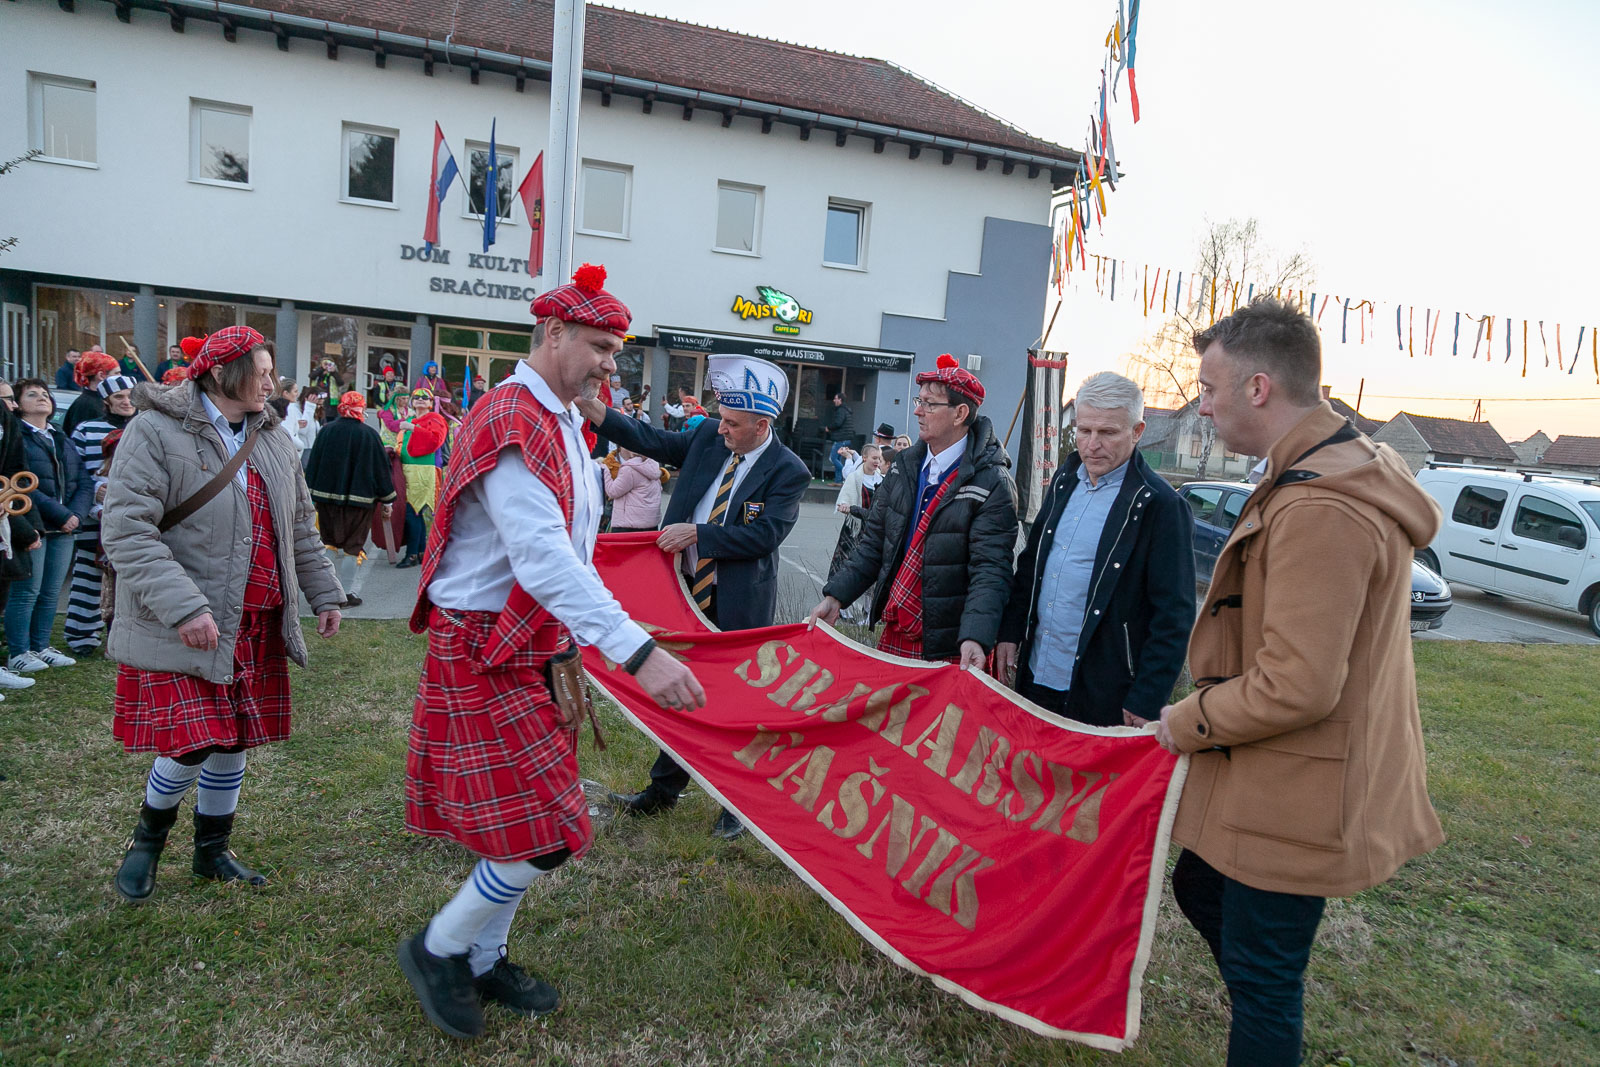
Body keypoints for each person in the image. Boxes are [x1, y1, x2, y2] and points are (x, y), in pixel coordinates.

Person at [396, 263, 705, 1040]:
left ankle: (482, 955)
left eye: (617, 349)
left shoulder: (563, 414)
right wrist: (638, 653)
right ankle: (439, 948)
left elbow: (571, 544)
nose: (611, 362)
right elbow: (542, 557)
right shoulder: (513, 417)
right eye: (600, 345)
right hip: (486, 644)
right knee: (550, 828)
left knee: (534, 827)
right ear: (554, 333)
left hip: (534, 641)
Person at [1151, 298, 1445, 1066]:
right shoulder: (1326, 465)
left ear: (1258, 389)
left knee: (1266, 978)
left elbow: (1299, 683)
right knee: (1203, 890)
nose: (1203, 404)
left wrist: (1188, 719)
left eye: (1211, 388)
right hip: (1278, 773)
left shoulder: (1320, 504)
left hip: (1299, 785)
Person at [102, 325, 345, 904]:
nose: (272, 381)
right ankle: (147, 841)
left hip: (254, 617)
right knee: (190, 741)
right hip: (185, 616)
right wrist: (183, 606)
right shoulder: (154, 431)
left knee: (232, 740)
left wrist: (325, 592)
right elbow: (126, 531)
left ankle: (213, 851)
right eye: (260, 371)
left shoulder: (275, 440)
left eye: (270, 371)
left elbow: (299, 528)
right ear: (218, 374)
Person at [582, 353, 811, 840]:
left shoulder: (789, 471)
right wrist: (596, 411)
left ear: (761, 424)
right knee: (680, 692)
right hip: (680, 592)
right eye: (721, 420)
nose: (720, 429)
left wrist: (699, 535)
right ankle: (663, 791)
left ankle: (739, 807)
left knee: (733, 708)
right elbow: (655, 440)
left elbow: (766, 536)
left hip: (736, 604)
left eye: (732, 423)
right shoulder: (708, 436)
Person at [994, 372, 1195, 727]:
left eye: (1107, 433)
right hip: (1037, 673)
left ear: (1137, 431)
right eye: (1084, 431)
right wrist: (1011, 630)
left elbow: (1173, 616)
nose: (1091, 444)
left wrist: (1148, 697)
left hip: (1105, 691)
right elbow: (1032, 566)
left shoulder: (1159, 506)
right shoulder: (1063, 480)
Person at [809, 354, 1017, 669]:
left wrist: (976, 636)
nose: (918, 411)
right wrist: (836, 596)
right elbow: (875, 542)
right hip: (900, 623)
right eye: (918, 401)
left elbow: (990, 571)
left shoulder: (992, 481)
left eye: (930, 404)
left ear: (960, 413)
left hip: (952, 640)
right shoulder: (905, 467)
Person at [5, 379, 81, 673]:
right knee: (27, 591)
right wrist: (61, 513)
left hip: (65, 527)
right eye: (32, 394)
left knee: (50, 591)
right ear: (18, 405)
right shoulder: (18, 436)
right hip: (36, 522)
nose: (42, 398)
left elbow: (82, 479)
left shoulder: (59, 435)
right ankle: (18, 651)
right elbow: (23, 482)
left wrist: (75, 513)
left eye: (45, 394)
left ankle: (41, 645)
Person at [61, 374, 137, 656]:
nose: (126, 402)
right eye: (120, 397)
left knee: (130, 581)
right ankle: (81, 637)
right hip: (95, 519)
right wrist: (95, 492)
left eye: (130, 396)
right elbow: (75, 472)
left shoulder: (146, 426)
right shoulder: (86, 429)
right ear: (106, 400)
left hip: (133, 516)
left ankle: (123, 638)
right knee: (87, 576)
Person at [306, 392, 396, 608]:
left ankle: (326, 592)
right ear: (361, 408)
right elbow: (381, 470)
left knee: (328, 542)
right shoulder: (369, 435)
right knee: (352, 547)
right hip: (360, 502)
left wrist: (308, 494)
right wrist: (387, 501)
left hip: (326, 500)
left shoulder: (326, 431)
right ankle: (345, 594)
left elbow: (313, 464)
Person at [0, 383, 43, 694]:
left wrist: (28, 527)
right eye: (7, 399)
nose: (12, 405)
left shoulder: (6, 423)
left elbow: (18, 474)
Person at [829, 443, 885, 623]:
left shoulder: (881, 479)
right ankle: (840, 605)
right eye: (874, 458)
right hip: (854, 530)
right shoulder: (855, 477)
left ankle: (869, 607)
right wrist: (846, 506)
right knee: (844, 564)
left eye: (879, 458)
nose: (877, 461)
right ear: (865, 458)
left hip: (873, 529)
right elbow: (844, 500)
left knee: (872, 567)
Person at [395, 388, 449, 568]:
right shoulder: (409, 420)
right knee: (413, 512)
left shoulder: (436, 419)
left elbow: (435, 440)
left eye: (425, 397)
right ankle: (418, 552)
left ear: (431, 402)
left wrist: (413, 428)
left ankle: (412, 554)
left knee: (413, 512)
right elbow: (402, 445)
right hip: (407, 470)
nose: (420, 399)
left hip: (424, 470)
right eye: (416, 397)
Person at [602, 446, 662, 532]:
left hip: (627, 526)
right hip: (651, 525)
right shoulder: (654, 467)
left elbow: (612, 492)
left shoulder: (630, 469)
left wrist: (605, 469)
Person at [64, 351, 120, 435]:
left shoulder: (104, 399)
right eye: (117, 373)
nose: (121, 377)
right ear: (101, 375)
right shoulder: (84, 405)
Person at [282, 381, 320, 466]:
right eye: (295, 391)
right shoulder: (290, 408)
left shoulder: (290, 408)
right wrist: (301, 445)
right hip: (297, 451)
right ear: (286, 393)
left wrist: (297, 425)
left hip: (299, 450)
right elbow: (288, 433)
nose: (297, 394)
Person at [825, 390, 856, 482]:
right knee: (838, 458)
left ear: (840, 400)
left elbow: (838, 423)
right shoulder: (846, 410)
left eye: (835, 398)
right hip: (846, 438)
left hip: (841, 439)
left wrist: (829, 428)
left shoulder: (841, 410)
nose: (834, 400)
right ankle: (838, 481)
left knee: (833, 458)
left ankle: (847, 475)